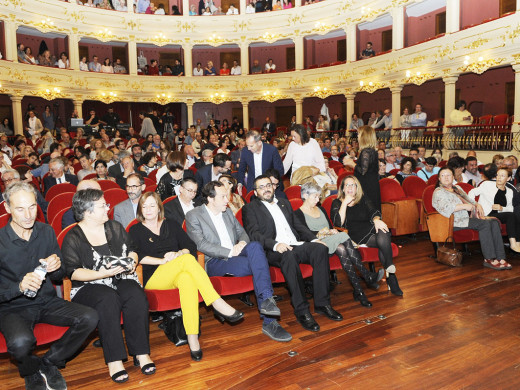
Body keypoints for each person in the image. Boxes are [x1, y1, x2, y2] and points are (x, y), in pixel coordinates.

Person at [0, 182, 98, 390]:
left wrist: (56, 266)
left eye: (32, 207)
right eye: (20, 208)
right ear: (7, 208)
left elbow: (59, 276)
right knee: (20, 344)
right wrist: (18, 286)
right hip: (12, 307)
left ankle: (49, 362)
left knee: (90, 317)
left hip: (47, 301)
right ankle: (30, 370)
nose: (28, 214)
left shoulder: (45, 231)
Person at [128, 192, 241, 361]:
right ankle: (216, 302)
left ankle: (192, 338)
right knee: (187, 260)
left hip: (177, 271)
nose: (148, 209)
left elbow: (189, 245)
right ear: (140, 210)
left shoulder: (171, 224)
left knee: (187, 278)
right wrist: (162, 260)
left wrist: (179, 252)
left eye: (152, 205)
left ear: (159, 207)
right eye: (144, 206)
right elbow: (138, 255)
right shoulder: (135, 230)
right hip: (153, 276)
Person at [61, 189, 155, 383]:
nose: (108, 208)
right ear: (87, 212)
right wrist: (101, 274)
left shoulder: (114, 226)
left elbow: (133, 250)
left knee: (135, 294)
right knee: (107, 298)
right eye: (103, 205)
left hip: (119, 277)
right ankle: (114, 360)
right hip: (88, 285)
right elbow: (73, 272)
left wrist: (130, 261)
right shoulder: (73, 236)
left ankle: (141, 353)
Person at [186, 181, 291, 342]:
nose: (227, 200)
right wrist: (230, 251)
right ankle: (270, 319)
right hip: (215, 261)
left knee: (255, 246)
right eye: (222, 196)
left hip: (237, 253)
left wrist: (241, 243)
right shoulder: (194, 215)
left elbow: (242, 233)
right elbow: (201, 244)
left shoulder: (227, 212)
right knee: (260, 264)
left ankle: (267, 304)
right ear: (210, 199)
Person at [243, 175, 343, 332]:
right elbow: (253, 234)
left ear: (274, 187)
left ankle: (323, 304)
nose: (266, 189)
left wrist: (314, 240)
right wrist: (275, 245)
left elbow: (298, 226)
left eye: (268, 185)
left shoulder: (284, 203)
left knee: (320, 249)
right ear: (255, 192)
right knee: (288, 256)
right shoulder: (250, 208)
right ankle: (302, 311)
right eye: (261, 187)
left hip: (295, 245)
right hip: (274, 250)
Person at [295, 182, 384, 307]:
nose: (317, 200)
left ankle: (359, 291)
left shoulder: (320, 209)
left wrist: (332, 230)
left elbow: (331, 227)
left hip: (333, 241)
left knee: (341, 248)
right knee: (343, 237)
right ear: (304, 195)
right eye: (314, 197)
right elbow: (303, 235)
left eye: (318, 197)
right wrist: (325, 232)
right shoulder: (297, 213)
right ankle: (366, 275)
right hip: (318, 245)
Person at [331, 175, 403, 296]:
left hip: (369, 231)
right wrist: (344, 203)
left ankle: (390, 268)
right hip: (353, 236)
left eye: (352, 185)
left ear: (356, 188)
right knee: (383, 243)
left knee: (383, 231)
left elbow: (373, 211)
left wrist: (376, 219)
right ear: (342, 189)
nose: (350, 187)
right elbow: (338, 223)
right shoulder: (336, 202)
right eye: (347, 185)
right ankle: (391, 276)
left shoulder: (362, 199)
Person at [432, 166, 512, 270]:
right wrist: (464, 206)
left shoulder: (457, 188)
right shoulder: (439, 192)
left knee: (494, 222)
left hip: (465, 220)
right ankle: (489, 258)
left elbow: (470, 200)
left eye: (449, 175)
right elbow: (446, 208)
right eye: (443, 175)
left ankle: (501, 258)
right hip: (452, 222)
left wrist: (477, 204)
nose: (446, 177)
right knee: (485, 224)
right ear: (439, 178)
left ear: (453, 177)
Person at [468, 167, 520, 253]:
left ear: (508, 178)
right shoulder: (487, 184)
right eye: (498, 175)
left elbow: (510, 208)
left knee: (515, 214)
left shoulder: (510, 191)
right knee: (511, 215)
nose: (499, 177)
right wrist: (476, 204)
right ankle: (513, 243)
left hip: (499, 214)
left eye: (502, 176)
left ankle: (518, 243)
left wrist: (501, 208)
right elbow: (471, 193)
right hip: (486, 214)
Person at [342, 125, 381, 211]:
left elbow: (363, 171)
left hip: (366, 186)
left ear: (364, 136)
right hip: (372, 184)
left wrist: (352, 163)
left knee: (366, 210)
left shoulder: (365, 151)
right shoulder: (372, 150)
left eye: (359, 134)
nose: (357, 136)